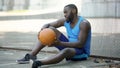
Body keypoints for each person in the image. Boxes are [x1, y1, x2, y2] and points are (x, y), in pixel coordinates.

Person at [17, 4, 91, 68]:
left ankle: (39, 63)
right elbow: (48, 25)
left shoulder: (84, 24)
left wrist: (60, 43)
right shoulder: (65, 21)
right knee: (49, 30)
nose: (64, 15)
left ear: (74, 11)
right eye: (64, 13)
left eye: (66, 12)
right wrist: (43, 30)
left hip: (81, 52)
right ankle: (31, 55)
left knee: (66, 50)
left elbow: (80, 44)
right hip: (69, 46)